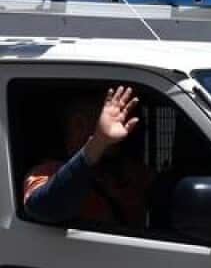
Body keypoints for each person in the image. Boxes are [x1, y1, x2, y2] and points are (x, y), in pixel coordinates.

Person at [24, 85, 153, 227]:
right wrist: (99, 142)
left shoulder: (128, 171)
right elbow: (43, 208)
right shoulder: (48, 172)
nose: (123, 127)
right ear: (78, 124)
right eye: (113, 117)